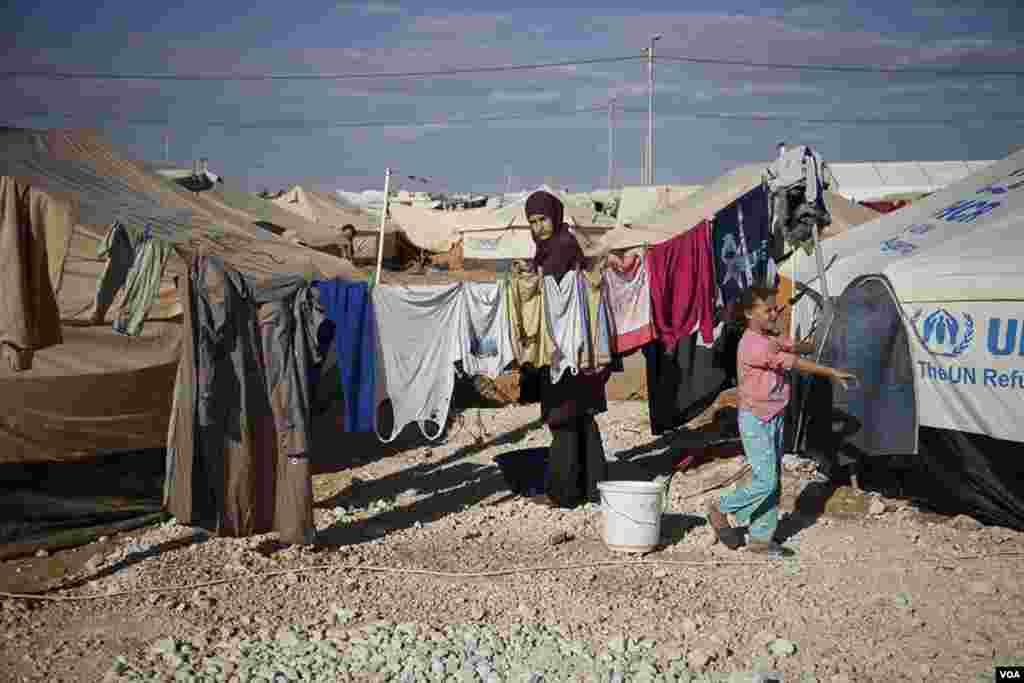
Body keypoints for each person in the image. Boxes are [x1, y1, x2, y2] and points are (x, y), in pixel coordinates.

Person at [706, 286, 856, 557]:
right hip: (755, 419)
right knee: (765, 481)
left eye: (776, 308)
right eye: (768, 309)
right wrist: (830, 371)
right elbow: (792, 361)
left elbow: (792, 345)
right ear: (750, 313)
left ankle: (761, 540)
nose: (774, 313)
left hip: (774, 416)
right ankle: (721, 507)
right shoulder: (752, 344)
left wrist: (823, 340)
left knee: (772, 479)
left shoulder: (769, 336)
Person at [519, 190, 610, 509]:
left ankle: (563, 492)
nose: (538, 227)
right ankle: (594, 488)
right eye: (532, 221)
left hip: (566, 347)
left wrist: (530, 278)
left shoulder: (561, 246)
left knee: (563, 419)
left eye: (542, 219)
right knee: (582, 418)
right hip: (578, 347)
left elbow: (555, 289)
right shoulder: (553, 246)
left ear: (554, 216)